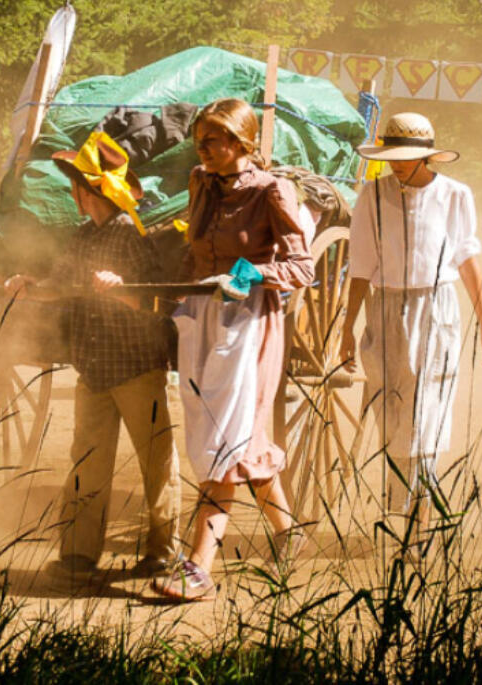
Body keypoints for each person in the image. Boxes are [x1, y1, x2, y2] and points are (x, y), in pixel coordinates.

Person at [151, 98, 313, 603]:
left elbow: (303, 267)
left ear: (242, 142)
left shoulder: (272, 192)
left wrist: (253, 272)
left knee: (223, 439)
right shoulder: (201, 181)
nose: (203, 148)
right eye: (200, 139)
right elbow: (192, 247)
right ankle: (289, 533)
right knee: (225, 433)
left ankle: (199, 566)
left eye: (213, 140)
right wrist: (170, 290)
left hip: (249, 321)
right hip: (203, 316)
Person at [4, 132, 181, 581]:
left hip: (137, 367)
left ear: (90, 191)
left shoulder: (133, 237)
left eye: (76, 186)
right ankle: (79, 555)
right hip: (95, 367)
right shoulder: (82, 237)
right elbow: (61, 286)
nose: (72, 194)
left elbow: (158, 303)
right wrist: (29, 286)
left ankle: (163, 553)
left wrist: (121, 289)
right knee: (87, 462)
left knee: (155, 463)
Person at [338, 113, 482, 551]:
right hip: (386, 308)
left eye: (406, 158)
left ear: (428, 155)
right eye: (391, 157)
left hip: (436, 308)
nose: (397, 165)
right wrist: (348, 328)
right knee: (391, 413)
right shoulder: (371, 196)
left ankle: (420, 516)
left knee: (426, 413)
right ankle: (402, 508)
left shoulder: (454, 196)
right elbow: (361, 266)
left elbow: (467, 259)